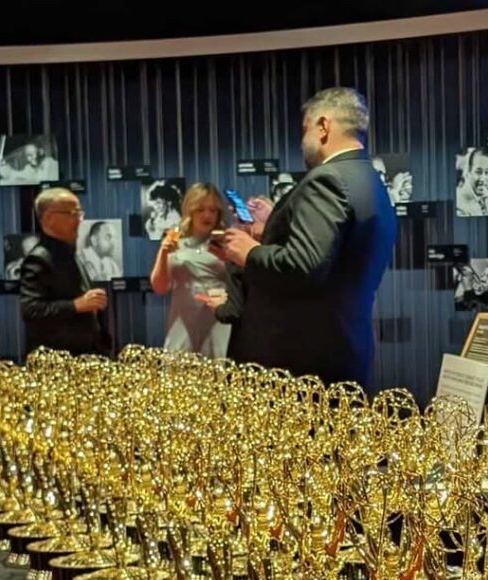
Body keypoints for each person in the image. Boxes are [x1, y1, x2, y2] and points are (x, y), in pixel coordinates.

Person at [211, 86, 397, 388]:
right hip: (341, 351)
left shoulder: (327, 178)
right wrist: (273, 226)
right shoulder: (367, 178)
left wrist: (248, 252)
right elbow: (333, 256)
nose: (302, 141)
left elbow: (304, 267)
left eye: (305, 129)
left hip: (298, 364)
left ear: (324, 126)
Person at [19, 188, 111, 356]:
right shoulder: (39, 259)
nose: (79, 220)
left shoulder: (70, 253)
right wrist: (76, 305)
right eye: (72, 214)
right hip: (57, 365)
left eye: (80, 213)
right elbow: (31, 310)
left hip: (85, 358)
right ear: (48, 219)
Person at [150, 183, 232, 356]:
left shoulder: (230, 241)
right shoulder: (175, 241)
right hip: (183, 321)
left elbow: (246, 283)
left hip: (219, 321)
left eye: (212, 210)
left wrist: (229, 259)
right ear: (189, 211)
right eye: (200, 209)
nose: (207, 215)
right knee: (181, 375)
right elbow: (160, 287)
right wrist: (164, 253)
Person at [456, 148, 488, 216]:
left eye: (487, 172)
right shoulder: (459, 203)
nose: (483, 178)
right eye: (478, 172)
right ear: (469, 172)